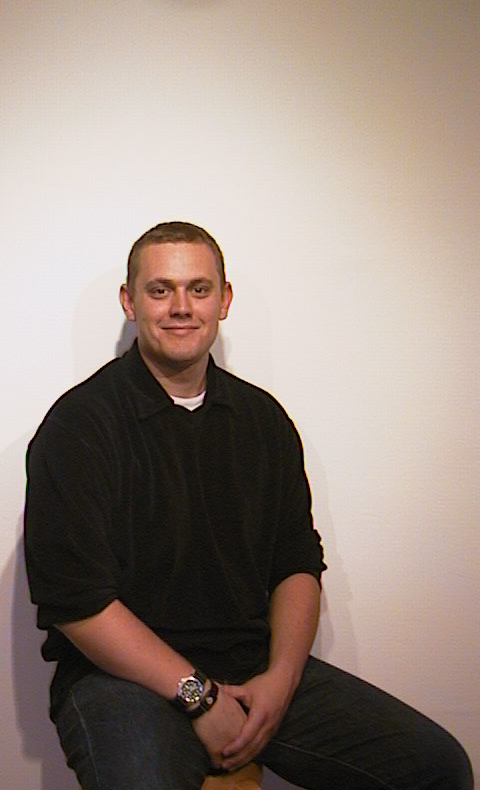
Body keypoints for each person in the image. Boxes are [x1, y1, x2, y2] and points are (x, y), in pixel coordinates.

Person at [24, 222, 473, 790]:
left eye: (199, 289)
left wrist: (281, 680)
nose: (181, 307)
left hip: (249, 665)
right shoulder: (79, 427)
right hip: (119, 680)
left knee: (438, 767)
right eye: (160, 290)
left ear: (224, 300)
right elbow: (78, 603)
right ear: (130, 303)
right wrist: (199, 697)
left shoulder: (263, 420)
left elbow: (296, 563)